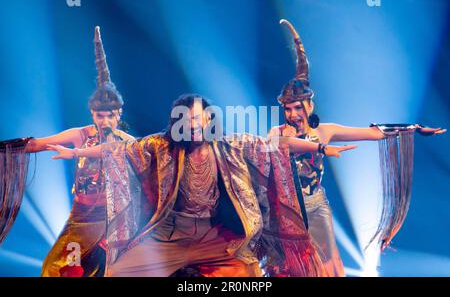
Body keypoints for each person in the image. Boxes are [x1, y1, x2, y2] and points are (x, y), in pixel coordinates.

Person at [48, 93, 357, 277]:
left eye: (199, 120)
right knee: (119, 271)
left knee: (249, 275)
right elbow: (115, 150)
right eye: (187, 121)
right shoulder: (161, 146)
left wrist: (320, 148)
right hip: (170, 237)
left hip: (218, 240)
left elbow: (275, 144)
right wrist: (76, 152)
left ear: (209, 121)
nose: (194, 126)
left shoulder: (230, 146)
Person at [269, 19, 446, 276]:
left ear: (309, 105)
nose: (293, 114)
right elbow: (282, 146)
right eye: (288, 108)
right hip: (285, 209)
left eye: (298, 107)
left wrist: (413, 128)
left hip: (315, 206)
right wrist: (319, 149)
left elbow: (372, 133)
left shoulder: (324, 131)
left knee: (330, 271)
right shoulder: (278, 133)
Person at [26, 26, 134, 277]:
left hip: (113, 223)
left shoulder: (126, 143)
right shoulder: (81, 134)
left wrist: (75, 154)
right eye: (99, 116)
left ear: (119, 114)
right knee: (55, 269)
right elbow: (39, 143)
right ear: (92, 114)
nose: (105, 121)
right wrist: (15, 146)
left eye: (110, 116)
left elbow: (108, 151)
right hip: (81, 219)